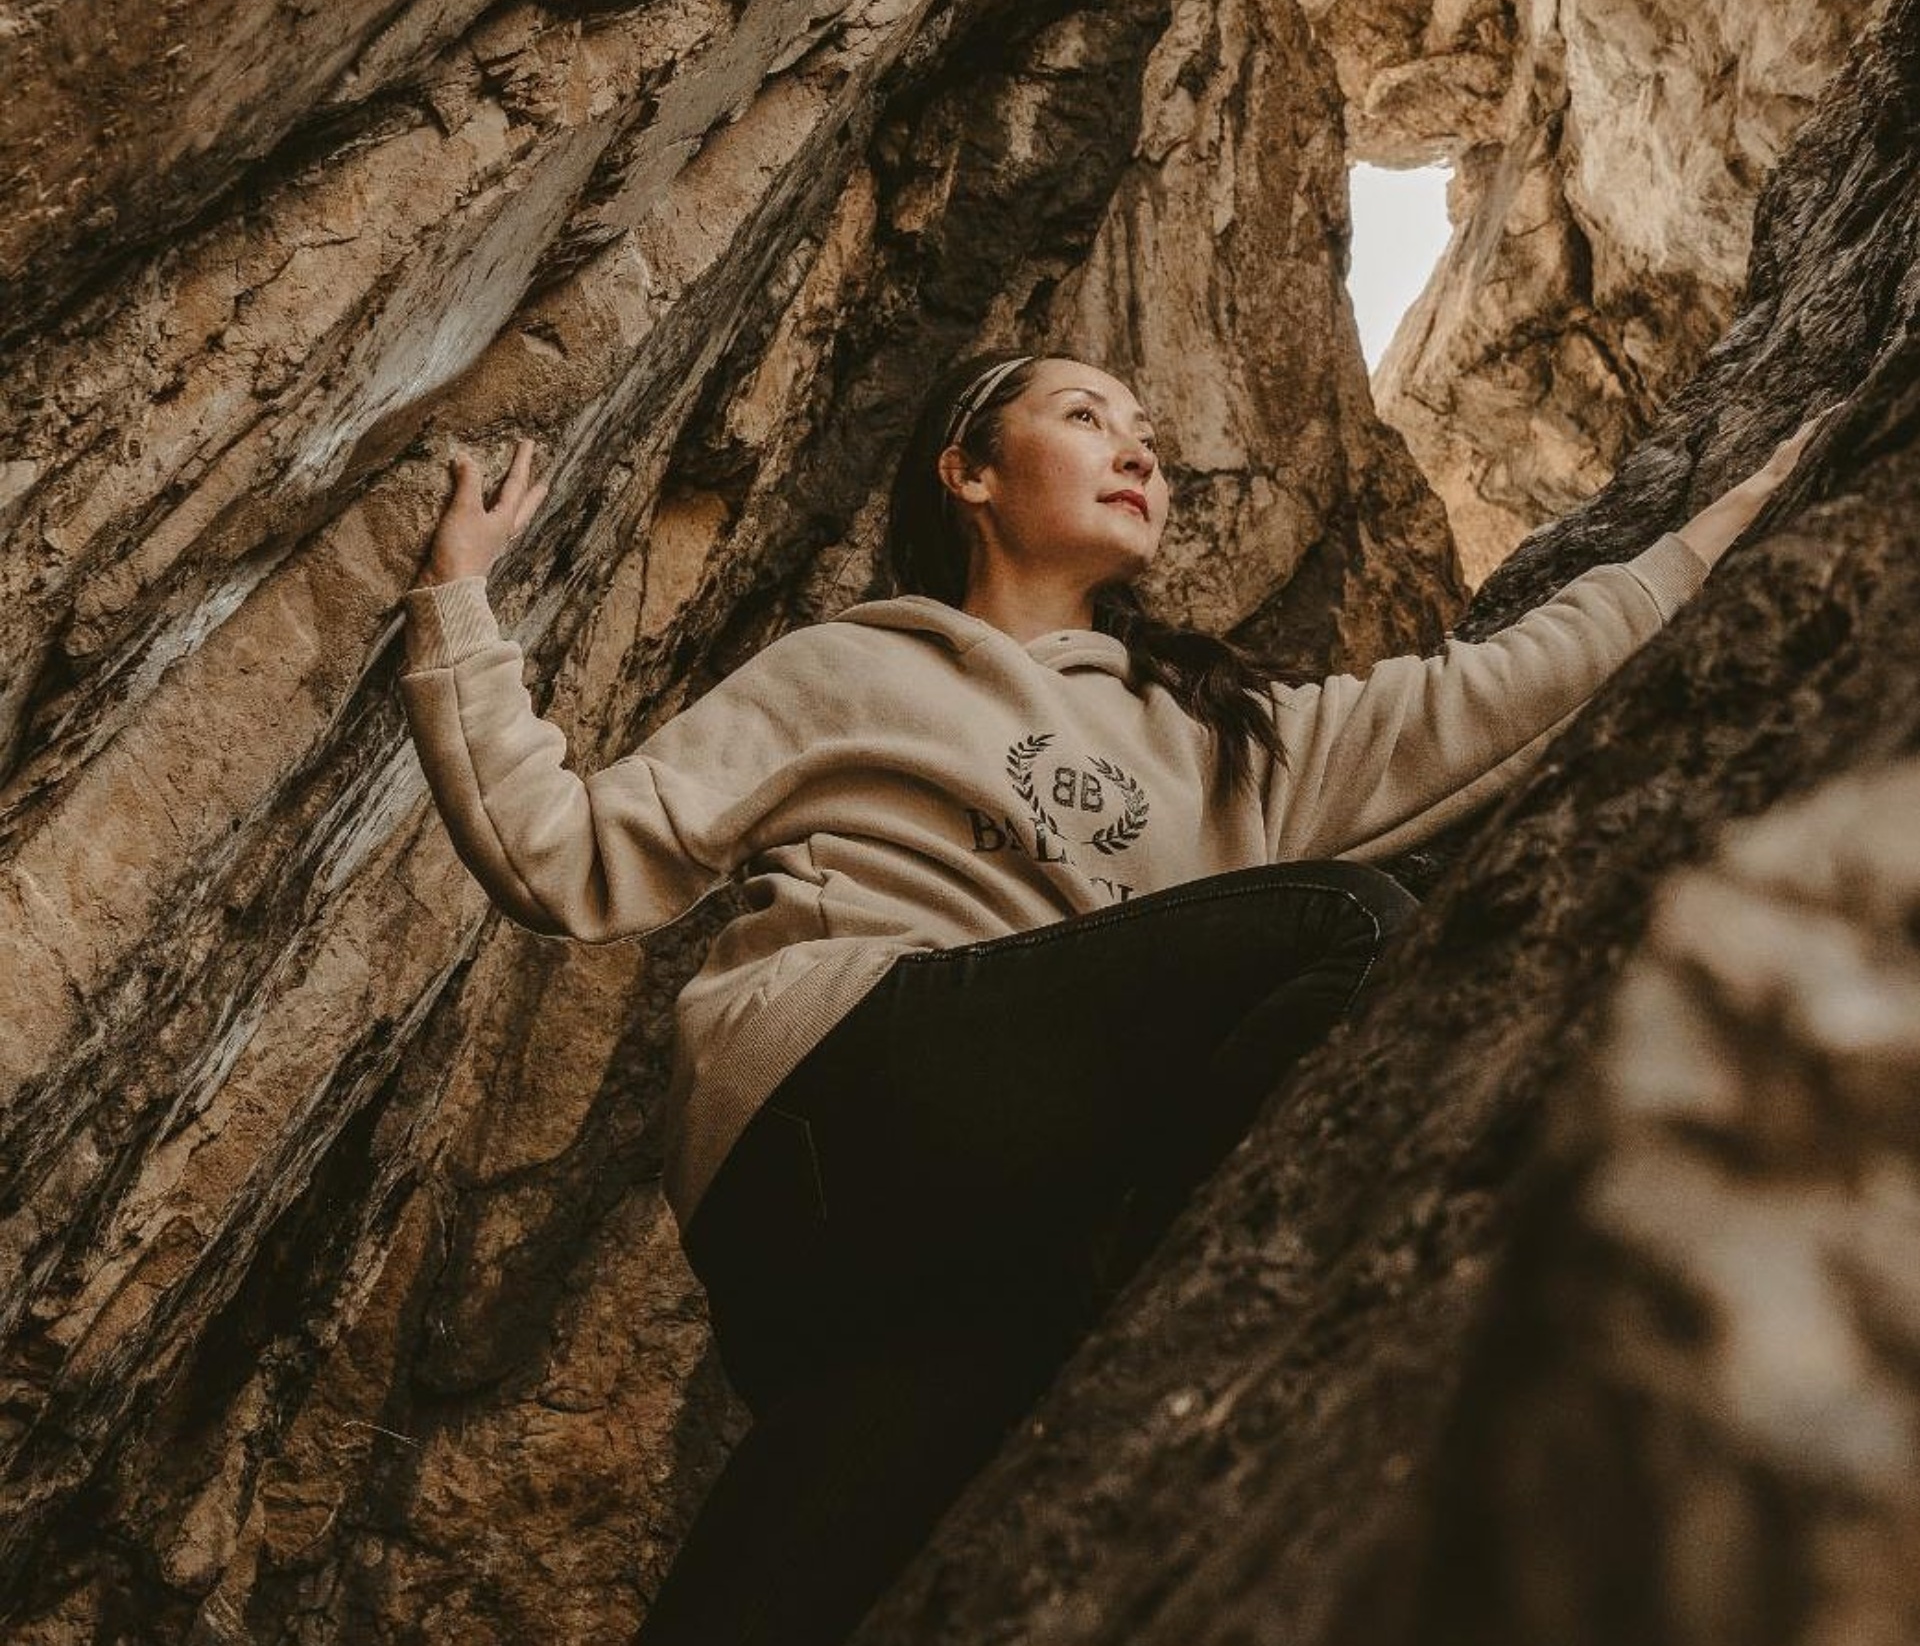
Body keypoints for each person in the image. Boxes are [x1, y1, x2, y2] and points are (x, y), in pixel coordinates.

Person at [398, 352, 1819, 1645]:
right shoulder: (851, 665)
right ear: (968, 471)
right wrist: (458, 602)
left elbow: (1500, 692)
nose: (1141, 453)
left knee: (810, 1587)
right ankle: (1141, 1254)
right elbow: (564, 853)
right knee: (1344, 925)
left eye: (1150, 435)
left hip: (942, 1258)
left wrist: (1727, 523)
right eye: (1086, 419)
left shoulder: (1228, 735)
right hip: (838, 1096)